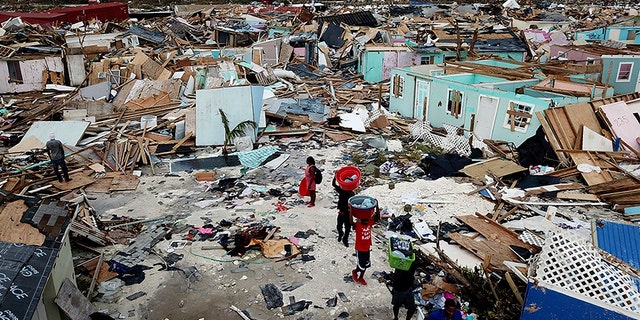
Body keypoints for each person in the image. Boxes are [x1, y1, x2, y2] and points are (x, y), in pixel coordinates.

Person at [351, 215, 374, 286]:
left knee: (366, 264)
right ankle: (358, 275)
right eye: (364, 219)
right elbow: (351, 222)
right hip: (359, 249)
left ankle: (358, 274)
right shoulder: (358, 225)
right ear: (361, 220)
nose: (366, 220)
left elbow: (378, 218)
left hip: (367, 248)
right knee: (362, 264)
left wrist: (376, 205)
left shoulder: (370, 223)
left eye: (367, 219)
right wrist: (351, 210)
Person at [332, 176, 355, 247]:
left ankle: (345, 239)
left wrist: (335, 178)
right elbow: (334, 185)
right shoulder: (341, 190)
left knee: (347, 228)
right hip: (342, 212)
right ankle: (341, 234)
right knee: (339, 226)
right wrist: (335, 177)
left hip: (348, 213)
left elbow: (334, 184)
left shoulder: (351, 193)